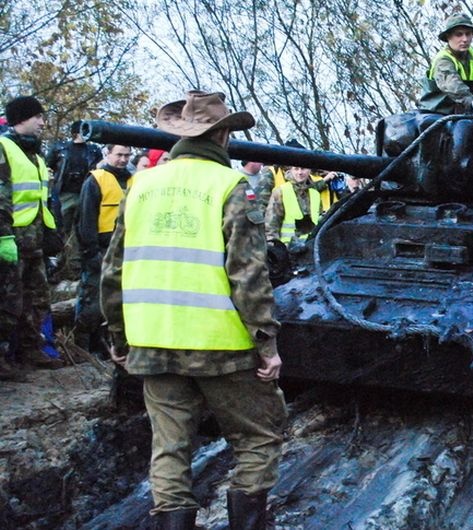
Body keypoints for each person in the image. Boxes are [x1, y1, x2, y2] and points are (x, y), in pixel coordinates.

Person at [100, 90, 287, 529]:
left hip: (153, 341)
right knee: (258, 437)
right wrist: (267, 343)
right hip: (220, 345)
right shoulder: (228, 185)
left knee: (169, 448)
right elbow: (247, 274)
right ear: (222, 135)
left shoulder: (141, 184)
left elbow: (113, 270)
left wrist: (118, 338)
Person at [0, 95, 63, 377]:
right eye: (37, 117)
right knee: (7, 303)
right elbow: (1, 198)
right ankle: (3, 357)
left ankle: (30, 350)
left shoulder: (35, 155)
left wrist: (51, 232)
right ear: (21, 119)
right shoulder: (3, 148)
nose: (42, 122)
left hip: (33, 242)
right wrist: (3, 237)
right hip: (10, 241)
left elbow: (41, 199)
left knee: (37, 299)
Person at [74, 144, 132, 354]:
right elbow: (85, 217)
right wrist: (90, 252)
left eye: (127, 155)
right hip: (100, 246)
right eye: (119, 155)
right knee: (92, 298)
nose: (123, 159)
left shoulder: (134, 180)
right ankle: (83, 346)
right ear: (107, 154)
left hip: (126, 246)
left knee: (118, 299)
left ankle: (110, 345)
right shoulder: (96, 179)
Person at [45, 120, 103, 279]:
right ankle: (60, 265)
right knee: (62, 229)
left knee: (82, 230)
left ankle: (76, 267)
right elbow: (49, 167)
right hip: (64, 194)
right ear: (76, 132)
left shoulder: (94, 150)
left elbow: (98, 169)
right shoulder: (60, 148)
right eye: (84, 130)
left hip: (86, 193)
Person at [418, 13, 473, 115]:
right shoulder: (443, 60)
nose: (465, 39)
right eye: (459, 34)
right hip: (438, 111)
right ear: (448, 37)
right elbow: (453, 86)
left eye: (468, 34)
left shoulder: (471, 53)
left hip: (463, 109)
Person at [265, 165, 325, 249]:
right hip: (288, 249)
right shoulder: (281, 191)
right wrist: (274, 248)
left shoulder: (315, 194)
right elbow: (271, 224)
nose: (300, 172)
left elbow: (319, 222)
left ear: (309, 170)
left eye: (303, 168)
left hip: (311, 248)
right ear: (291, 170)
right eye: (296, 169)